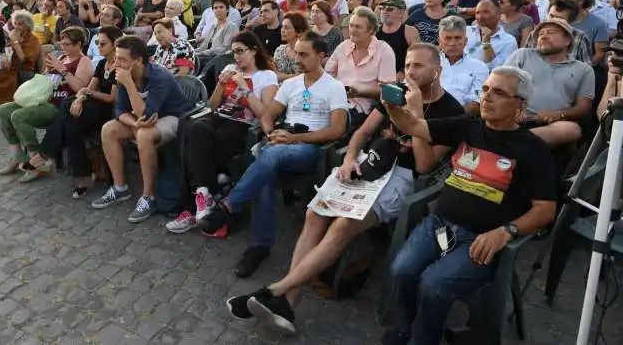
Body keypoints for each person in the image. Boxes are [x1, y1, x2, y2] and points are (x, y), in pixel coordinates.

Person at [226, 43, 464, 335]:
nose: (410, 72)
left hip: (403, 175)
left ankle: (274, 291)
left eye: (419, 66)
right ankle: (289, 301)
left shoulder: (453, 111)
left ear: (437, 71)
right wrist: (350, 159)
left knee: (342, 226)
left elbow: (425, 164)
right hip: (369, 161)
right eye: (409, 64)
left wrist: (415, 117)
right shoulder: (396, 91)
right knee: (314, 215)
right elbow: (363, 132)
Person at [379, 66, 557, 345]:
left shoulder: (532, 149)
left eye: (498, 92)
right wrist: (393, 108)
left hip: (482, 238)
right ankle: (406, 327)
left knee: (434, 285)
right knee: (402, 270)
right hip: (439, 224)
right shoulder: (468, 125)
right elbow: (415, 126)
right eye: (485, 89)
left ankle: (422, 339)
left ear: (520, 105)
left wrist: (506, 231)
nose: (487, 97)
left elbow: (545, 209)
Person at [199, 32, 349, 277]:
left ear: (321, 56)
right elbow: (268, 116)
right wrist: (272, 134)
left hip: (309, 147)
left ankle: (229, 207)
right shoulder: (291, 84)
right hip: (282, 141)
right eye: (296, 53)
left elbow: (337, 129)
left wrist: (293, 138)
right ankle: (258, 245)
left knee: (269, 157)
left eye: (304, 54)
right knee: (266, 165)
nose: (297, 58)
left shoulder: (334, 87)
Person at [168, 31, 278, 234]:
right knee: (194, 129)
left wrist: (244, 87)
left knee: (194, 146)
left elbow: (265, 113)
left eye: (240, 51)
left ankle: (192, 207)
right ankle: (205, 193)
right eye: (233, 52)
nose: (236, 56)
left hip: (243, 124)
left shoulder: (266, 76)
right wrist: (220, 84)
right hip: (219, 118)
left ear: (254, 51)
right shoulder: (229, 68)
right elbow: (212, 105)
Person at [93, 35, 193, 223]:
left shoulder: (159, 76)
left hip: (174, 118)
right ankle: (120, 187)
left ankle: (149, 197)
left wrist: (129, 85)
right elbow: (121, 110)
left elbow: (145, 115)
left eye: (122, 60)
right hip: (143, 120)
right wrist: (133, 123)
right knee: (109, 129)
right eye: (116, 58)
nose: (117, 64)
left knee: (144, 135)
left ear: (138, 60)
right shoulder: (122, 73)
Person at [0, 26, 93, 183]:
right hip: (43, 99)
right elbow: (45, 82)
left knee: (19, 116)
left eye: (68, 44)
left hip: (59, 106)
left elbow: (80, 88)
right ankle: (17, 156)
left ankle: (37, 160)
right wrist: (46, 71)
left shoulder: (84, 61)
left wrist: (63, 71)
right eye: (62, 44)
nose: (63, 47)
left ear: (79, 44)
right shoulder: (61, 58)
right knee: (3, 110)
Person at [504, 18, 594, 147]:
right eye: (540, 34)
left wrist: (559, 114)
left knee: (572, 130)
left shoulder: (584, 70)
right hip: (514, 118)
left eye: (551, 32)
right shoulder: (522, 55)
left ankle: (518, 142)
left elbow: (583, 107)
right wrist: (515, 109)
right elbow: (500, 86)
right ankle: (521, 142)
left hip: (554, 125)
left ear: (567, 40)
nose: (544, 36)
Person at [326, 6, 396, 118]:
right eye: (351, 26)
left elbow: (388, 90)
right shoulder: (343, 46)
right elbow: (327, 75)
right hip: (336, 102)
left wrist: (359, 92)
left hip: (363, 109)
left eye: (358, 27)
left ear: (371, 30)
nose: (352, 30)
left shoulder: (384, 50)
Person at [376, 0, 420, 83]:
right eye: (382, 8)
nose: (384, 11)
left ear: (401, 12)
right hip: (377, 76)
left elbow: (417, 57)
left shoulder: (410, 32)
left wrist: (403, 72)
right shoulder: (374, 31)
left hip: (403, 77)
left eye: (389, 9)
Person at [465, 0, 518, 70]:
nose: (480, 17)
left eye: (485, 12)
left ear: (498, 15)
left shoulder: (508, 41)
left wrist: (487, 43)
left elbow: (499, 70)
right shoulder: (466, 31)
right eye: (477, 13)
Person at [273, 12, 309, 82]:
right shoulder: (279, 50)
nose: (282, 30)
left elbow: (306, 76)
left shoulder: (306, 51)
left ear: (299, 32)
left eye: (287, 28)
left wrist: (283, 76)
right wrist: (294, 76)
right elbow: (275, 76)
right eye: (282, 27)